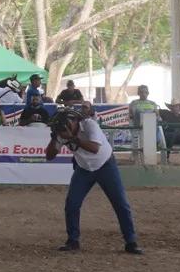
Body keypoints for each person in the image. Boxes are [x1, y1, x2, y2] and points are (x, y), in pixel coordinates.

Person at [45, 107, 143, 254]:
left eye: (64, 125)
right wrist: (55, 139)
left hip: (106, 165)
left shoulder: (90, 125)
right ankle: (73, 240)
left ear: (73, 121)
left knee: (120, 204)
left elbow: (94, 148)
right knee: (72, 204)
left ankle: (131, 241)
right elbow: (49, 156)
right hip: (84, 168)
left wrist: (72, 138)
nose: (61, 129)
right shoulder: (61, 133)